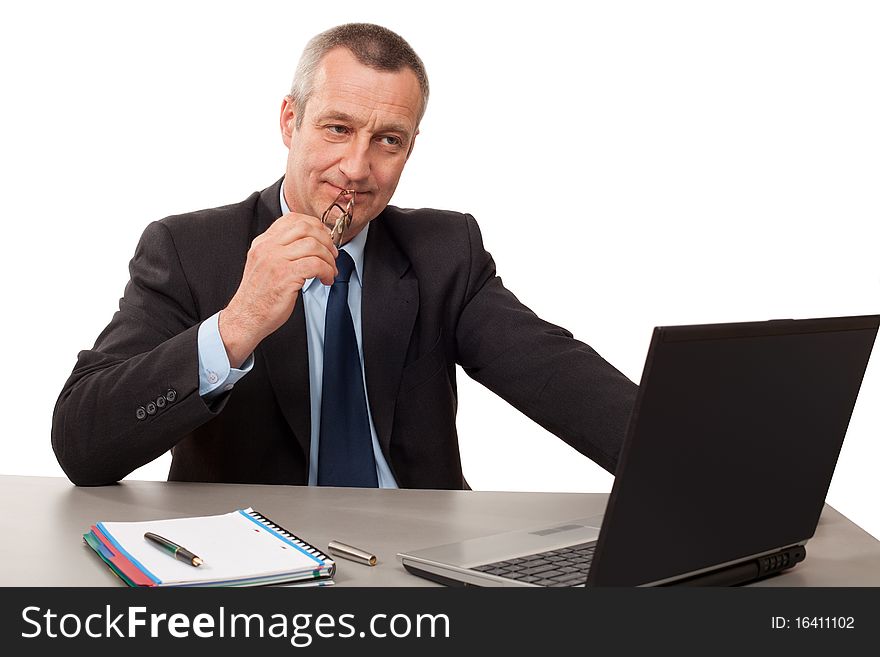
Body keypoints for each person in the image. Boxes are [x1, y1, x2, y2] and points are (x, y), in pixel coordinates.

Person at [52, 23, 638, 488]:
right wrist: (236, 326)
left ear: (410, 146)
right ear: (291, 121)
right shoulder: (187, 250)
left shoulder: (445, 252)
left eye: (388, 140)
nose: (357, 169)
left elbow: (558, 377)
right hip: (257, 570)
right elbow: (83, 444)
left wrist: (698, 468)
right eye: (337, 128)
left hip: (420, 561)